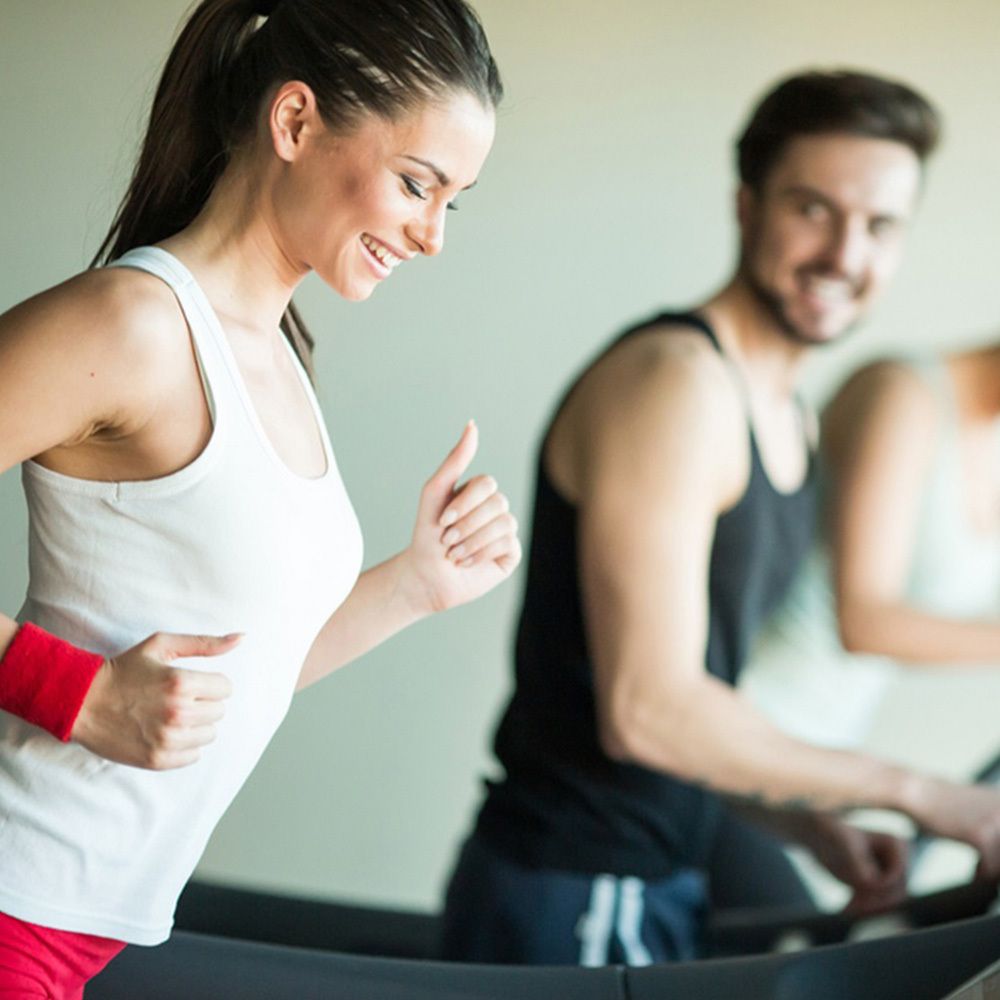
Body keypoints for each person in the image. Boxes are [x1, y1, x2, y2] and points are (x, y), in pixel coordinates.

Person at [0, 0, 519, 994]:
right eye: (418, 184)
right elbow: (115, 704)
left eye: (454, 200)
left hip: (90, 929)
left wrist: (416, 584)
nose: (432, 236)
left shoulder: (275, 353)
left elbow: (244, 670)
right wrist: (79, 693)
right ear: (293, 123)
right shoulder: (132, 326)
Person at [440, 69, 1000, 968]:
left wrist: (807, 825)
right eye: (813, 209)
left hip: (664, 877)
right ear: (747, 206)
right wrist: (922, 794)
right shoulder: (677, 384)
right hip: (582, 881)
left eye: (880, 226)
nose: (845, 254)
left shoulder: (787, 414)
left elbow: (700, 699)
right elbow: (648, 710)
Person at [743, 341, 1000, 750]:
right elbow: (864, 621)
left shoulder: (990, 441)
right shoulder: (904, 398)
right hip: (750, 716)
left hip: (825, 740)